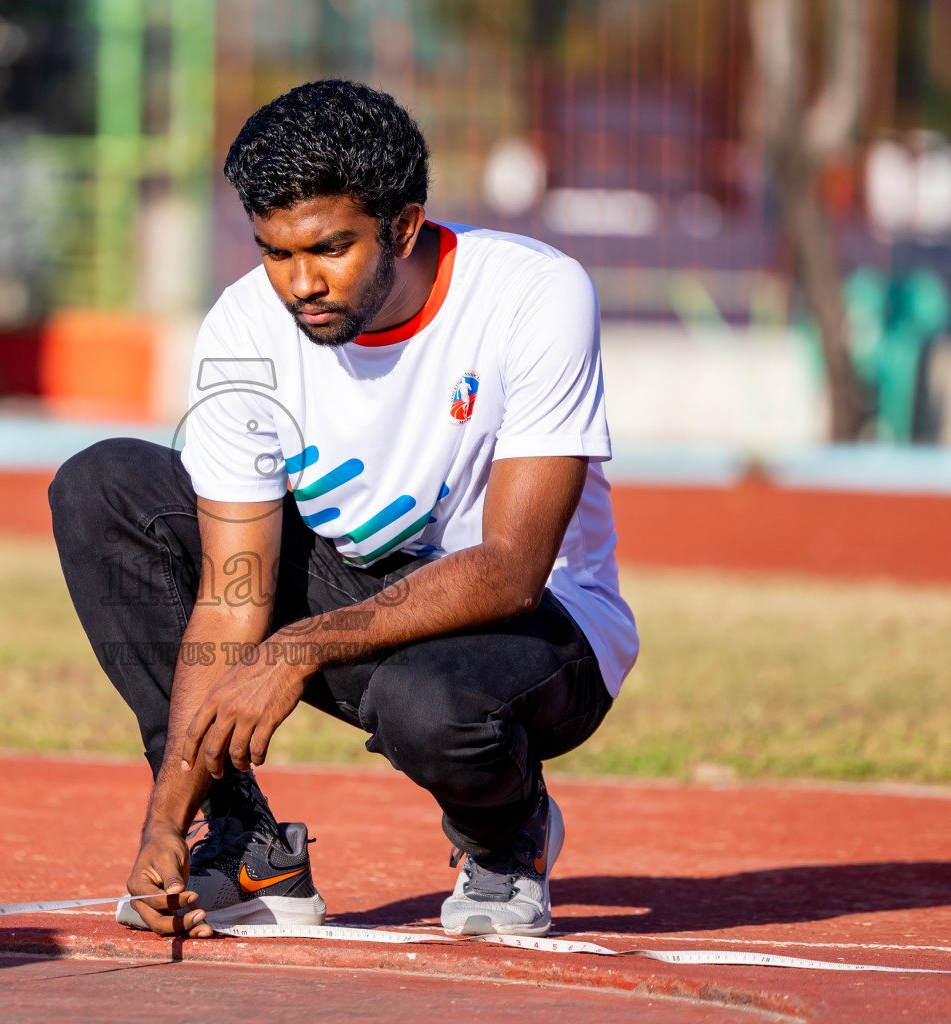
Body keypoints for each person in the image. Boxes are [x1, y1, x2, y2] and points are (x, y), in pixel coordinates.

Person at [50, 80, 638, 940]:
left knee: (427, 704)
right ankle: (244, 846)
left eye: (330, 248)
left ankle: (506, 835)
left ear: (403, 226)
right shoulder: (244, 329)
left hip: (542, 629)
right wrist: (165, 821)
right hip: (365, 600)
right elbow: (233, 594)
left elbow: (513, 569)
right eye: (275, 253)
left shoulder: (533, 294)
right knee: (104, 485)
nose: (301, 283)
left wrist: (299, 648)